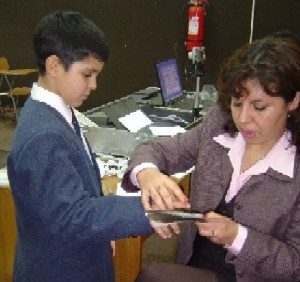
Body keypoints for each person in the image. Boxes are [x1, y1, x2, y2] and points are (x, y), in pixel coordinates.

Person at [121, 36, 300, 281]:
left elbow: (294, 265)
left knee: (155, 276)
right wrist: (148, 174)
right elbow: (155, 150)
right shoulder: (219, 126)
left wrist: (237, 236)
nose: (244, 118)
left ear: (293, 102)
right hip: (195, 266)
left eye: (260, 107)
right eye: (237, 104)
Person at [7, 10, 154, 282]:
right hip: (60, 271)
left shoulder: (59, 109)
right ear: (54, 66)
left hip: (77, 256)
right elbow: (74, 217)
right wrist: (151, 211)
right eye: (87, 74)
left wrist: (104, 230)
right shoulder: (43, 136)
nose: (94, 85)